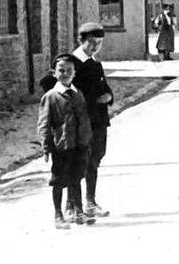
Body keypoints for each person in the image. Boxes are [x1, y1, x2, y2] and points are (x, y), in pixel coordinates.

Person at [38, 53, 94, 229]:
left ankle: (78, 211)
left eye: (69, 71)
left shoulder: (78, 94)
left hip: (79, 144)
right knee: (59, 180)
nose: (65, 73)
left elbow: (84, 119)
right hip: (61, 145)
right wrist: (46, 147)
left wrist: (87, 140)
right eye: (61, 70)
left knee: (76, 177)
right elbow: (44, 123)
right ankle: (58, 214)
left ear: (74, 73)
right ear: (54, 73)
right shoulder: (51, 96)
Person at [72, 22, 113, 218]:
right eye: (91, 43)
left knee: (95, 158)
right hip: (82, 122)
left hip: (98, 119)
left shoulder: (95, 63)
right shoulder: (72, 64)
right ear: (81, 41)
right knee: (81, 161)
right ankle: (75, 205)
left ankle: (89, 201)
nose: (95, 47)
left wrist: (108, 97)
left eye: (99, 43)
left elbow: (105, 87)